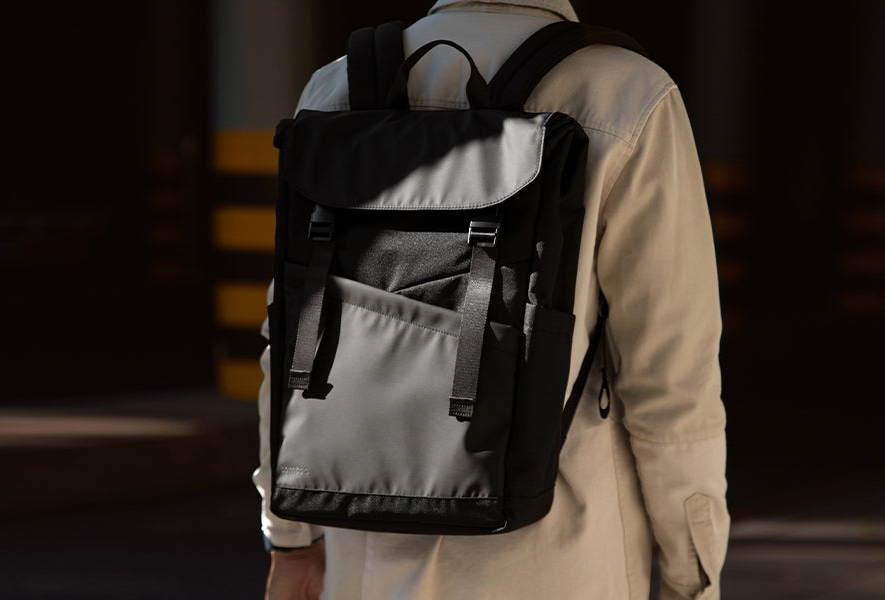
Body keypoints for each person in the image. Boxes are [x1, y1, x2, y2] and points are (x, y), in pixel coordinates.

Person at [253, 1, 729, 598]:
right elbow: (670, 380)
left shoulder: (336, 89)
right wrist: (693, 576)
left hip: (364, 557)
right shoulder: (626, 94)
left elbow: (292, 336)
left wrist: (291, 542)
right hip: (559, 564)